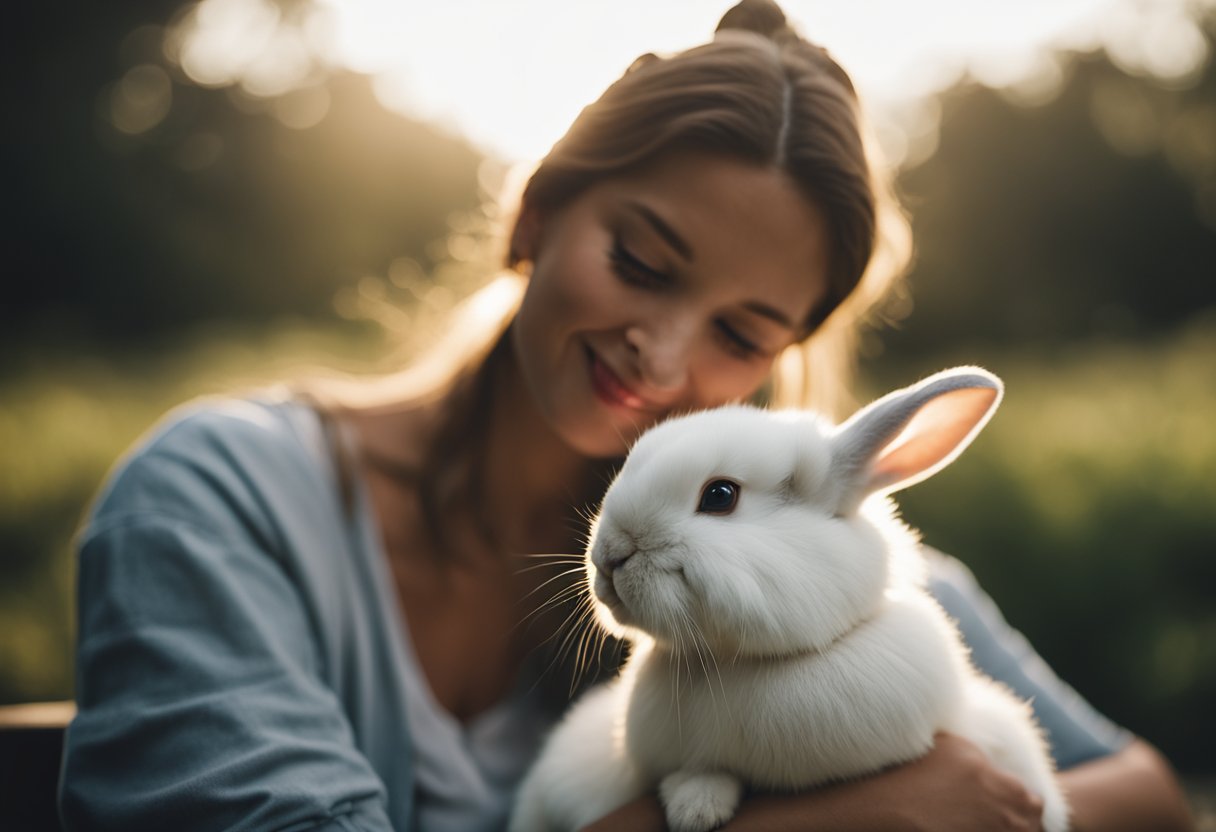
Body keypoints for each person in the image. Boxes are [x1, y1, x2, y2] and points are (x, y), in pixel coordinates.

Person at [60, 1, 1195, 830]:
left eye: (741, 336)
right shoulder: (220, 501)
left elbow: (1140, 791)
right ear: (538, 210)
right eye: (641, 262)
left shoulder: (805, 577)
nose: (661, 356)